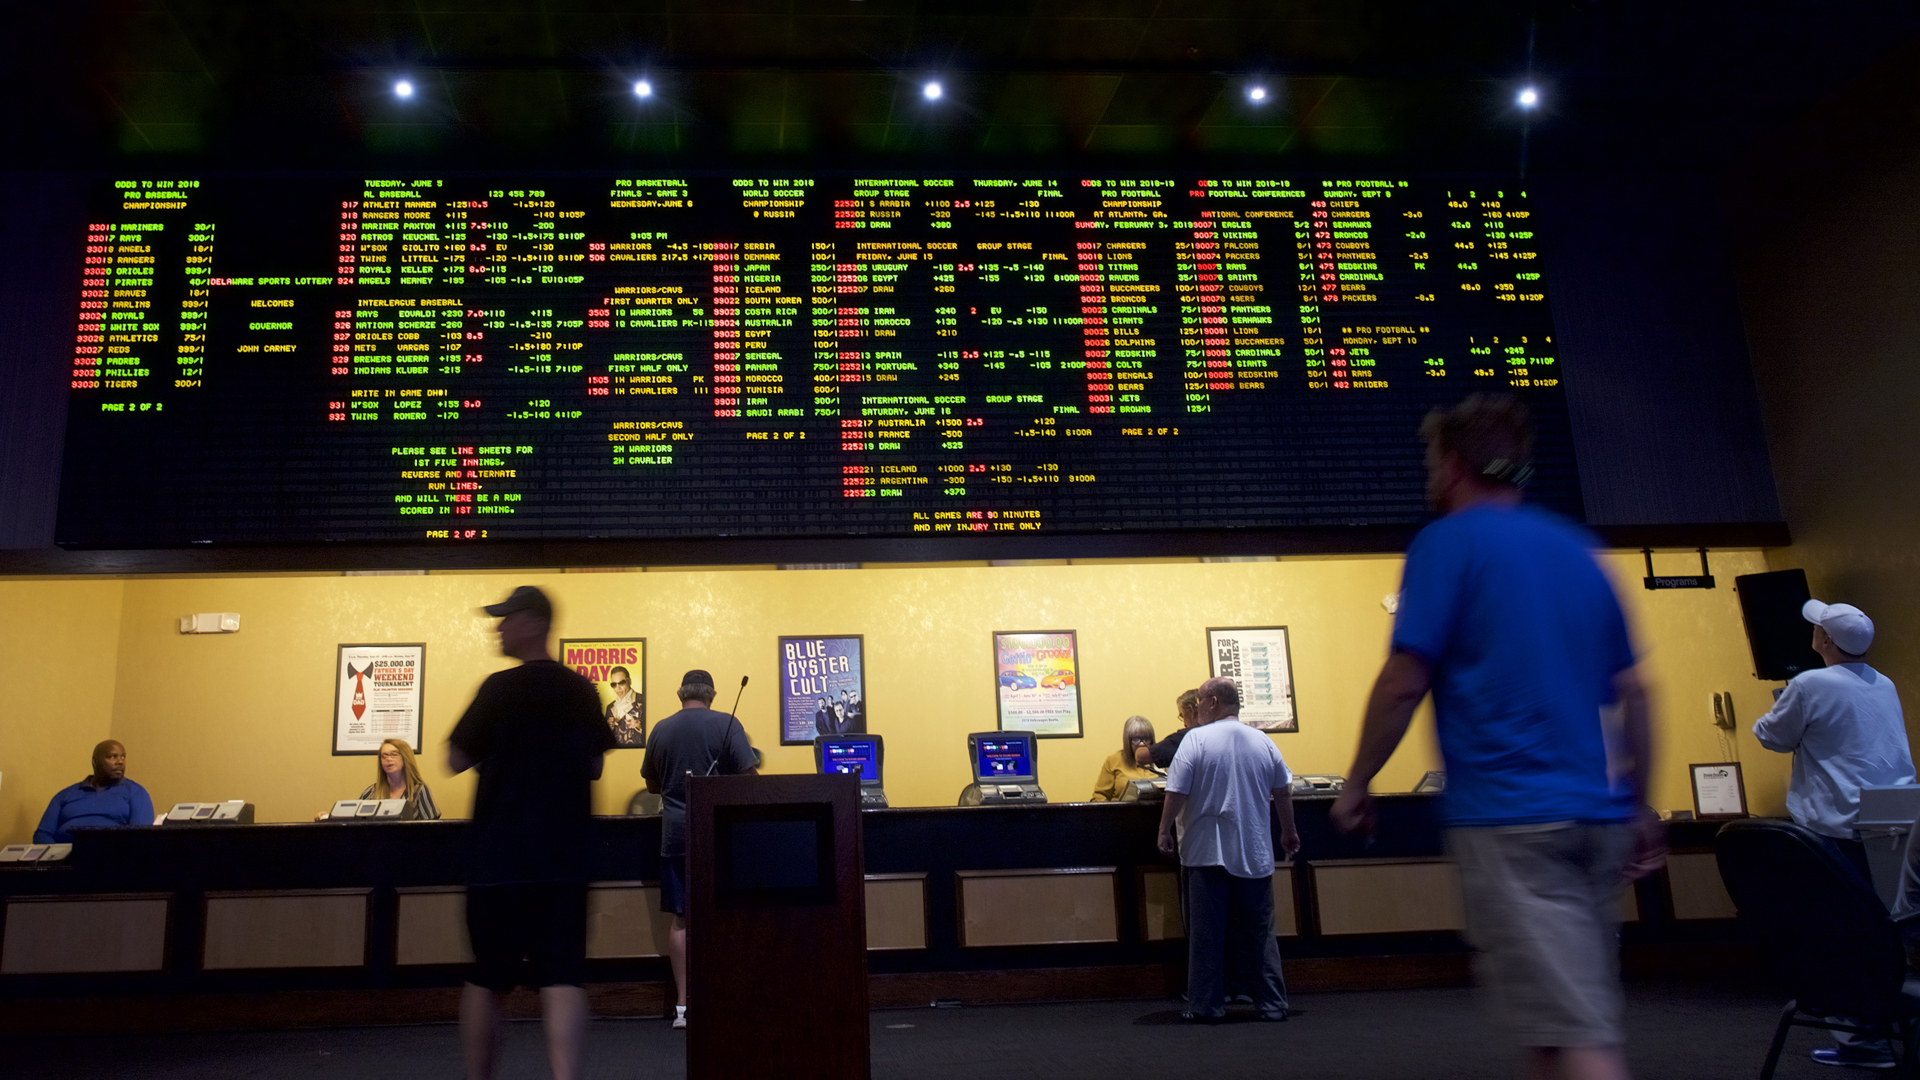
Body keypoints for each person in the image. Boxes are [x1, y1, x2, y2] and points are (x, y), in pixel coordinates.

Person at [1331, 395, 1664, 1080]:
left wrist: (1359, 780)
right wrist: (1638, 804)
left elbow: (1404, 680)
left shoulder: (1446, 543)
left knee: (1579, 1034)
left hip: (1515, 823)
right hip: (1594, 820)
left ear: (1452, 463)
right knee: (1554, 1025)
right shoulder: (1579, 549)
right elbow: (1638, 692)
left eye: (1432, 460)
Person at [448, 585, 615, 1080]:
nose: (498, 627)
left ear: (534, 623)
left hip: (498, 859)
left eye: (506, 619)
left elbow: (455, 758)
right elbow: (593, 768)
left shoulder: (497, 689)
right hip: (563, 859)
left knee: (489, 976)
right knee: (562, 975)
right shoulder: (582, 690)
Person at [1752, 597, 1915, 1069]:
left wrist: (1783, 702)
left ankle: (1862, 1041)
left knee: (1837, 932)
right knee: (1889, 929)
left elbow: (1772, 736)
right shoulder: (1883, 683)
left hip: (1836, 827)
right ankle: (1894, 1030)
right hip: (1897, 818)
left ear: (1824, 640)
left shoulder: (1809, 683)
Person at [1158, 677, 1296, 1021]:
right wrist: (1289, 832)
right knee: (1261, 932)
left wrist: (1163, 830)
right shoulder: (1263, 741)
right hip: (1254, 850)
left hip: (1206, 851)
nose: (1197, 707)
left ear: (1214, 702)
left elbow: (1176, 791)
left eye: (1201, 700)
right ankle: (1273, 1004)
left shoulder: (1195, 741)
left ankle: (1206, 1006)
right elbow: (1282, 791)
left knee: (1206, 934)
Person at [640, 669, 759, 1030]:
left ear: (681, 694)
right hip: (722, 834)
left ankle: (683, 1008)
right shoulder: (726, 724)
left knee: (681, 918)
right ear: (712, 694)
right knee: (729, 915)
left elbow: (651, 783)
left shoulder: (660, 728)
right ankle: (729, 998)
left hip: (675, 834)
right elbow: (749, 780)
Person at [35, 740, 154, 843]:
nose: (120, 762)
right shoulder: (65, 795)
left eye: (123, 756)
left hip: (112, 860)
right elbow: (42, 834)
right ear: (95, 761)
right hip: (65, 861)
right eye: (112, 756)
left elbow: (139, 838)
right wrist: (58, 856)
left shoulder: (136, 793)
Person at [315, 739, 441, 821]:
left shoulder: (419, 790)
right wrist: (327, 818)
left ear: (406, 758)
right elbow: (353, 822)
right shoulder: (371, 792)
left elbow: (433, 830)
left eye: (394, 754)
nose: (388, 759)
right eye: (384, 756)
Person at [1090, 715, 1162, 801]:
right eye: (1136, 739)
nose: (1142, 744)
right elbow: (1099, 796)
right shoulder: (1114, 761)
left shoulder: (1160, 759)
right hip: (1121, 812)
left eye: (1146, 739)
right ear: (1128, 740)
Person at [1148, 689, 1202, 769]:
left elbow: (1142, 756)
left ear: (1191, 711)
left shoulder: (1188, 736)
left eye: (1182, 715)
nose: (1184, 723)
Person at [605, 665, 645, 747]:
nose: (618, 688)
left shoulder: (644, 700)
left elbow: (656, 731)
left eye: (621, 683)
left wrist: (641, 726)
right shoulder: (609, 707)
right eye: (614, 685)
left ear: (629, 681)